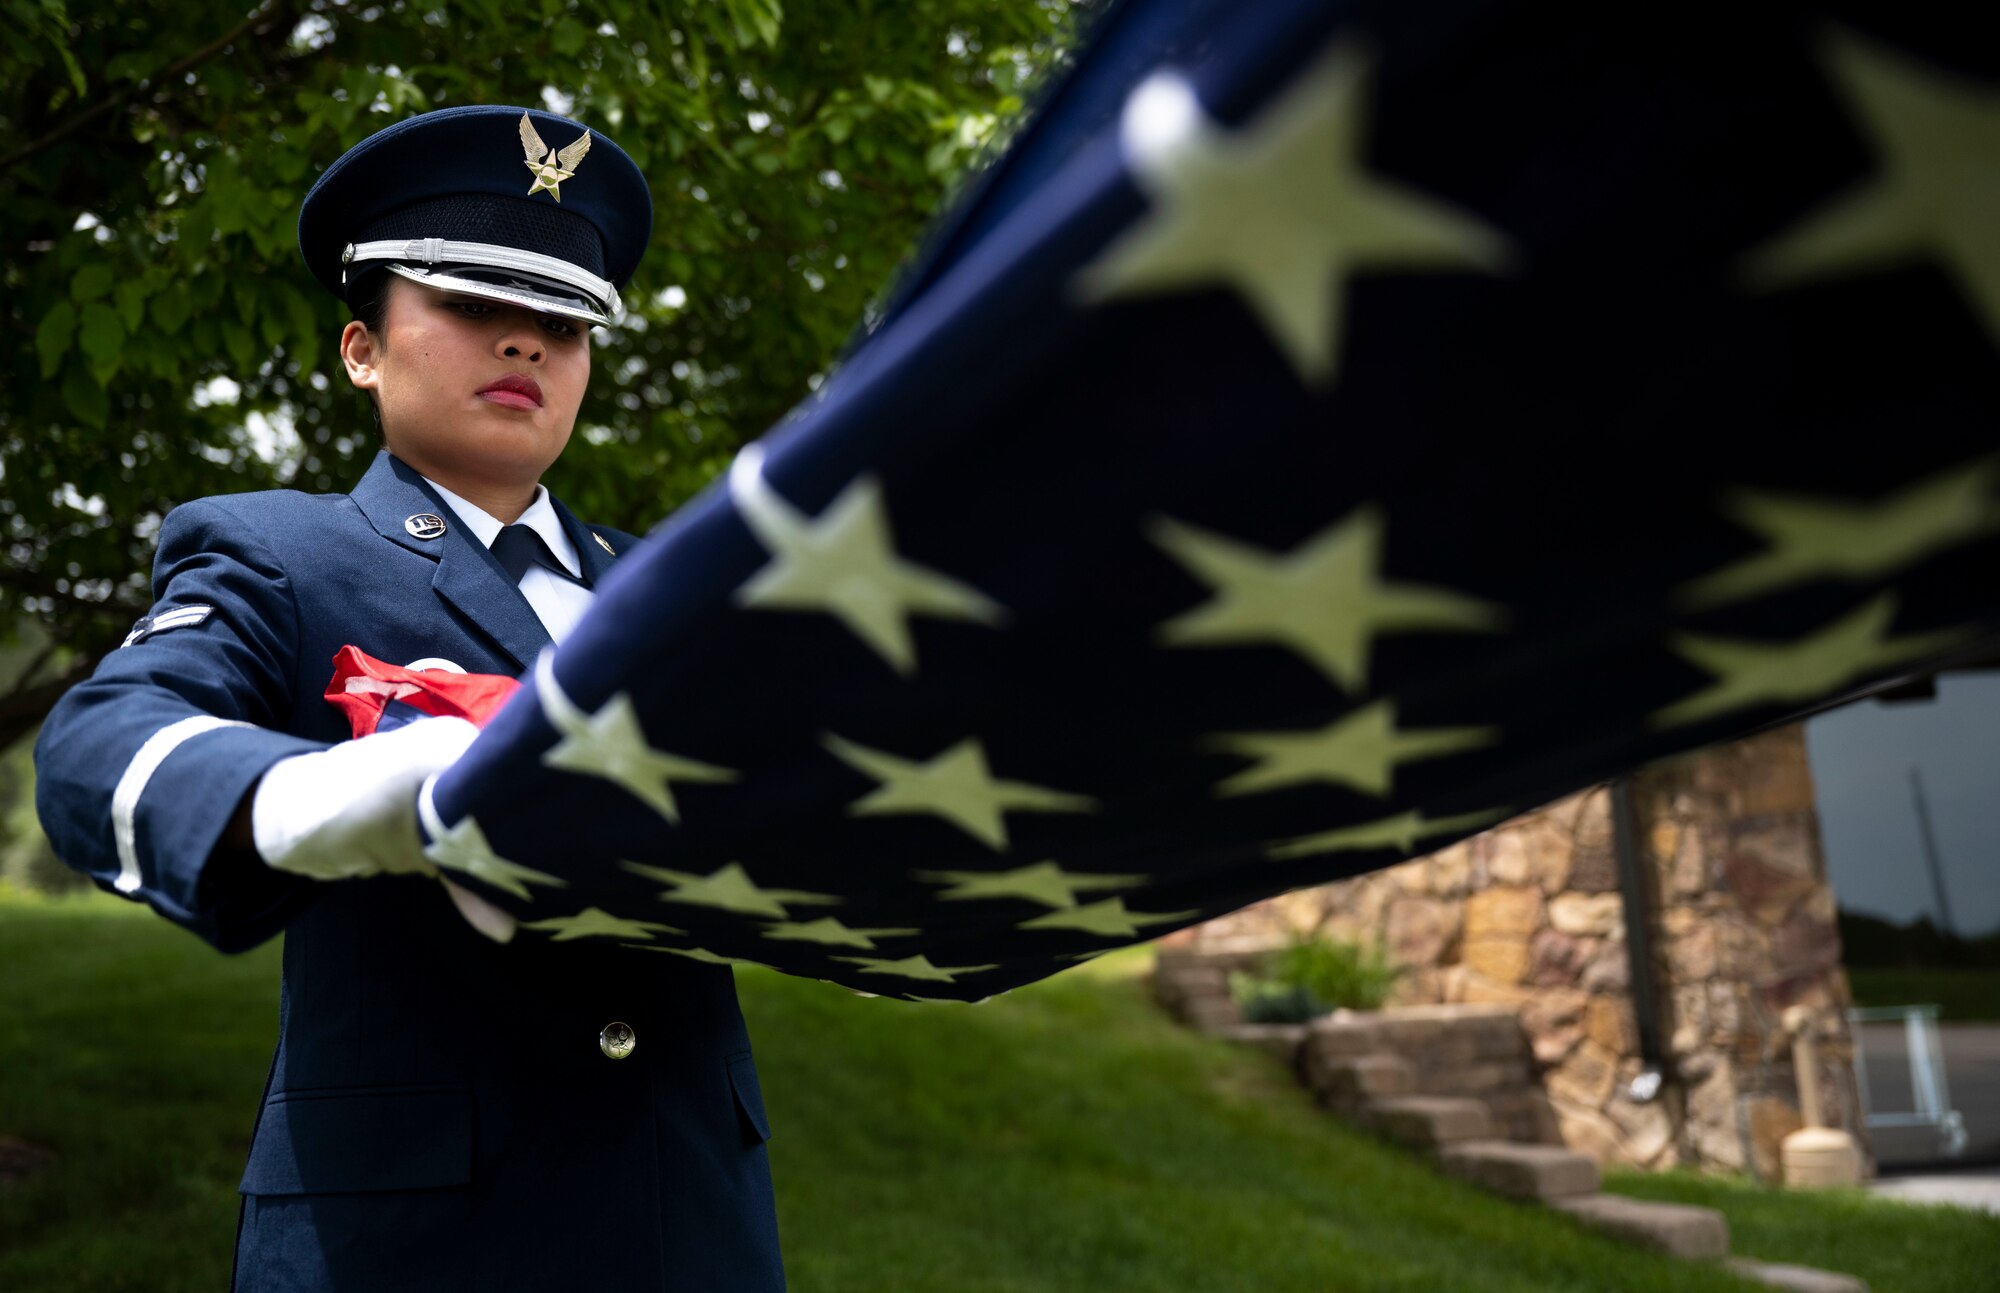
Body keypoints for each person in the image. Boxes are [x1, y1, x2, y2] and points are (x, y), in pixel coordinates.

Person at [34, 106, 785, 1292]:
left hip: (686, 1208)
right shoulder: (279, 551)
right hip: (408, 1235)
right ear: (361, 348)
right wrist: (315, 802)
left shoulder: (678, 585)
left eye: (561, 320)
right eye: (475, 306)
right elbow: (99, 747)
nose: (526, 343)